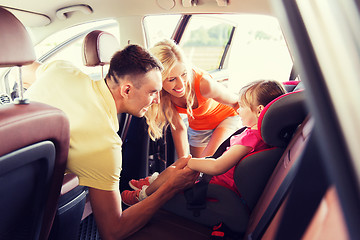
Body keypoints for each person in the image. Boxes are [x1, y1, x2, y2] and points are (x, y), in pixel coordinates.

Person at [25, 44, 199, 240]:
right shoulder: (106, 143)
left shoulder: (61, 69)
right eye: (152, 92)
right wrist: (170, 188)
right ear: (126, 90)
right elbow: (113, 231)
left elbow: (23, 69)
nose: (157, 100)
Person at [121, 80, 286, 205]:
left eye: (242, 106)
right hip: (220, 181)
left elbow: (218, 166)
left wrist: (192, 163)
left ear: (259, 110)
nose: (237, 110)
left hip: (218, 186)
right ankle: (153, 182)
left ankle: (143, 195)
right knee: (181, 165)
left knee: (182, 165)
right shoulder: (266, 136)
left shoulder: (251, 138)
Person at [145, 39, 240, 160]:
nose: (181, 85)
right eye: (171, 79)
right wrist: (182, 164)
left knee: (206, 164)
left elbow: (236, 102)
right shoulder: (163, 95)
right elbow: (179, 127)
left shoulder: (204, 84)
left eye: (184, 74)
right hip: (199, 126)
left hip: (225, 117)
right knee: (193, 169)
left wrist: (252, 131)